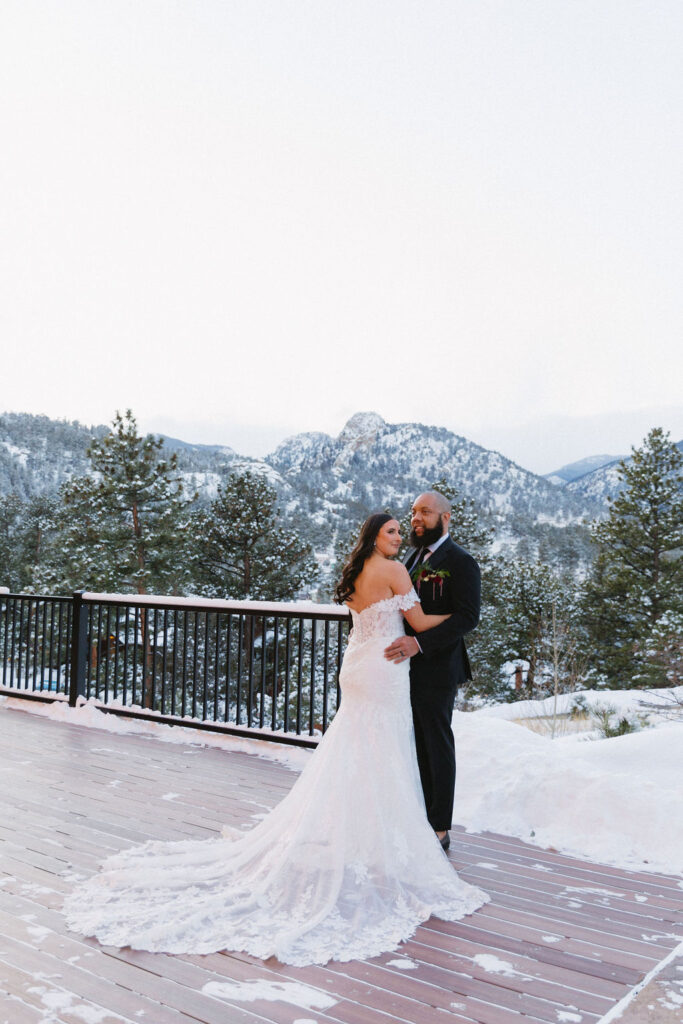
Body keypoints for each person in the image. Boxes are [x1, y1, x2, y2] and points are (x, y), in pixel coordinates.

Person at [63, 513, 487, 966]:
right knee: (385, 751)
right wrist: (461, 617)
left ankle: (359, 833)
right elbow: (419, 623)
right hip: (385, 669)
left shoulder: (359, 569)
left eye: (402, 531)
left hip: (358, 665)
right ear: (374, 536)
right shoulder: (396, 569)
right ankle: (381, 838)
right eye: (392, 531)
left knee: (357, 748)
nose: (399, 536)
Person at [385, 492, 480, 853]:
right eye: (413, 512)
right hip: (404, 668)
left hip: (438, 667)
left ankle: (439, 827)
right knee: (415, 744)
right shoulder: (412, 557)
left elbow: (468, 616)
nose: (416, 518)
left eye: (425, 512)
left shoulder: (460, 561)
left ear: (446, 517)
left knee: (437, 744)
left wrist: (420, 644)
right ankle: (417, 816)